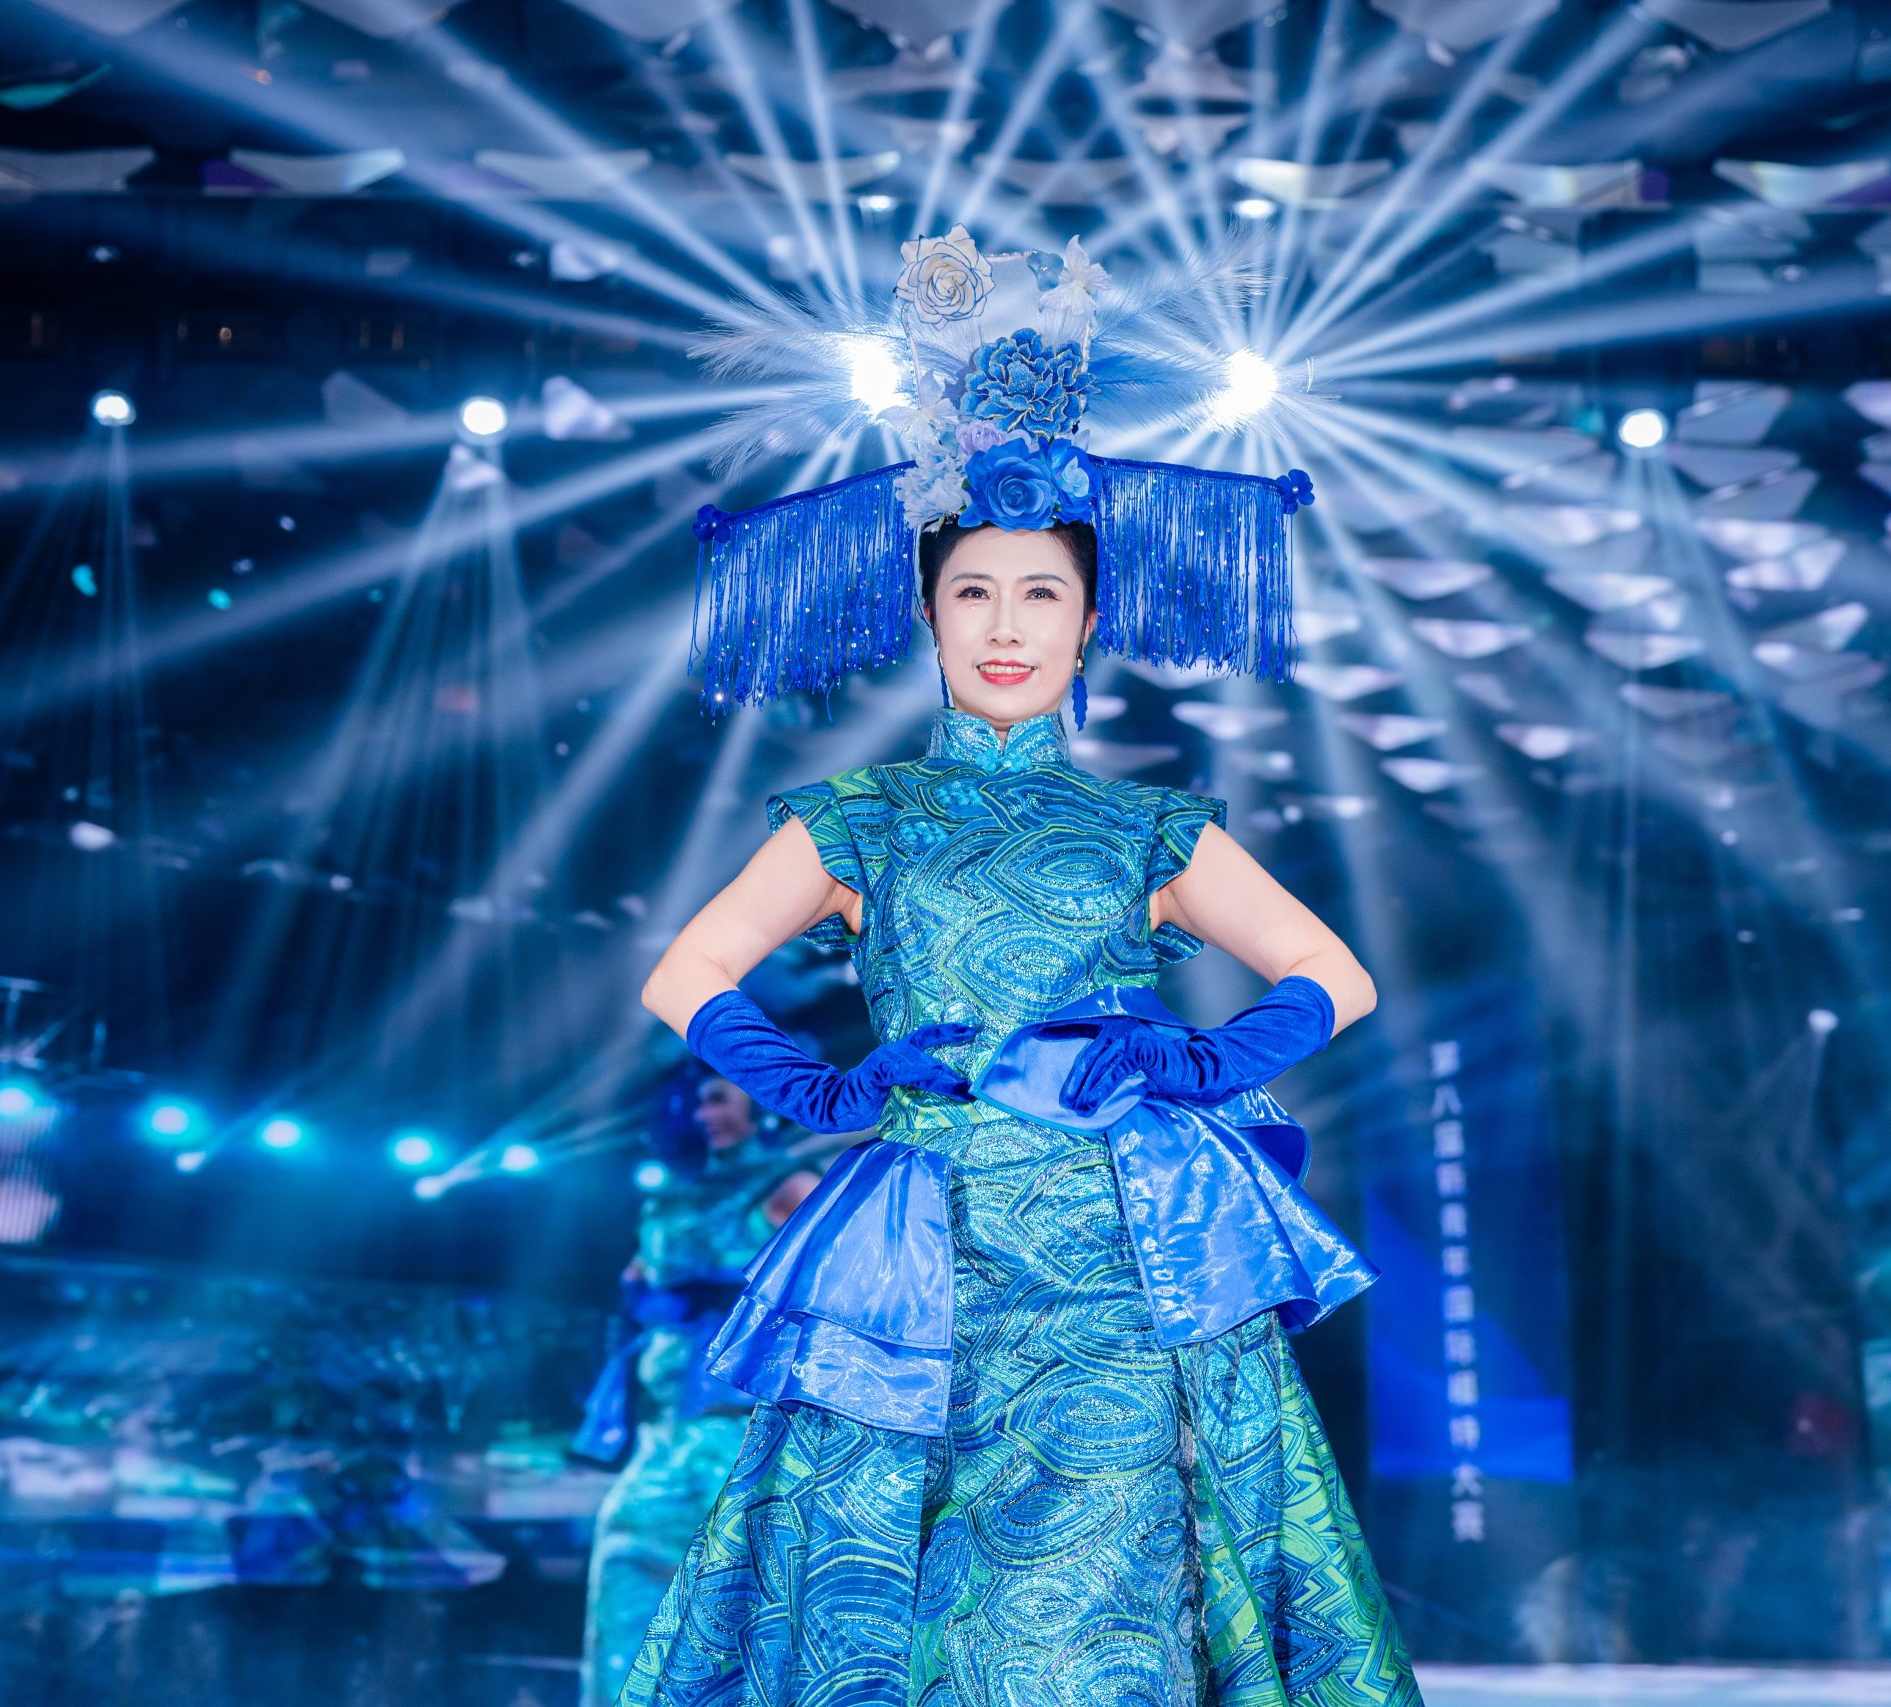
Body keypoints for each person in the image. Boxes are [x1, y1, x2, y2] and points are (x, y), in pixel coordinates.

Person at [619, 228, 1422, 1704]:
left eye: (1041, 594)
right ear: (927, 611)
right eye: (975, 593)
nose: (1006, 626)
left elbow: (1335, 973)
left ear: (1090, 619)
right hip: (920, 1257)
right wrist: (823, 1086)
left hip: (1127, 1256)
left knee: (1097, 1610)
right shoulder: (861, 815)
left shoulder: (1145, 826)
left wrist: (1201, 1057)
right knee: (890, 1591)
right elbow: (687, 973)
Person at [574, 1076, 823, 1707]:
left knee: (742, 1603)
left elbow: (824, 1283)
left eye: (719, 1097)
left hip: (744, 1431)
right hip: (667, 1430)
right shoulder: (669, 1200)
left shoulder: (786, 1182)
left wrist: (706, 1294)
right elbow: (638, 1283)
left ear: (759, 1104)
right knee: (626, 1565)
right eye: (698, 1099)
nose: (703, 1111)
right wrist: (644, 1298)